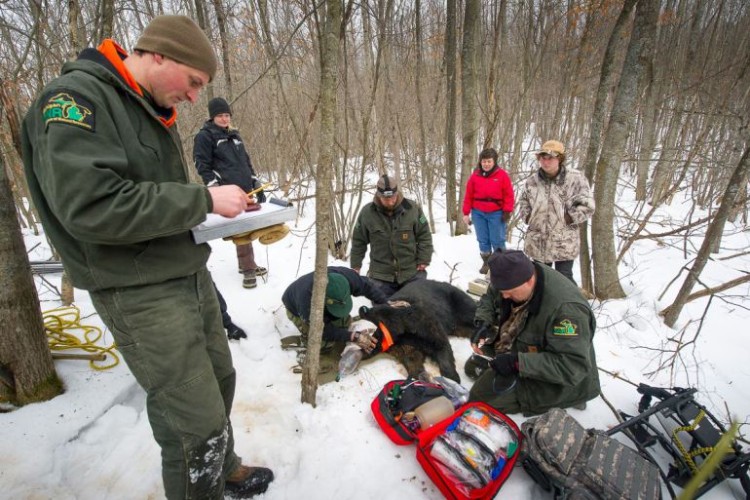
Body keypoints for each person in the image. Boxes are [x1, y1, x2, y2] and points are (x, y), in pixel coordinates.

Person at [21, 15, 273, 499]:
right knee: (191, 420)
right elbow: (91, 207)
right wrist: (202, 201)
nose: (196, 97)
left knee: (220, 378)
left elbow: (147, 195)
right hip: (138, 287)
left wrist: (211, 216)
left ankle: (224, 468)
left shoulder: (143, 105)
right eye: (194, 82)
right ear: (159, 55)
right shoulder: (76, 100)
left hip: (184, 270)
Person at [464, 250, 600, 415]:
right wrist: (483, 323)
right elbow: (490, 297)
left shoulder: (566, 311)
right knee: (471, 368)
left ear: (529, 281)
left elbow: (572, 366)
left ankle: (574, 398)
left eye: (510, 292)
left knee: (480, 400)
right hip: (524, 346)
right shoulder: (515, 276)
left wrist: (517, 363)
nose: (505, 296)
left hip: (560, 378)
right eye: (502, 291)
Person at [194, 96, 268, 289]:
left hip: (245, 187)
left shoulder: (234, 135)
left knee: (247, 224)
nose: (225, 119)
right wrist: (215, 188)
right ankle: (249, 269)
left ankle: (246, 265)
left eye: (227, 115)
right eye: (220, 115)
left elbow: (245, 160)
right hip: (227, 190)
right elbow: (202, 164)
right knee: (241, 227)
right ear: (212, 117)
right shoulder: (205, 136)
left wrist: (254, 179)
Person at [517, 140, 595, 284]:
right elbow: (523, 202)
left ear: (559, 158)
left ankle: (572, 306)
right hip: (538, 240)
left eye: (550, 158)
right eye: (543, 158)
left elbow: (587, 205)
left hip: (563, 241)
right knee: (540, 280)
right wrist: (528, 217)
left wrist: (568, 218)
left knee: (564, 280)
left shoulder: (575, 178)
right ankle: (543, 306)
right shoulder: (532, 181)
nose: (545, 162)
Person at [350, 174, 433, 297]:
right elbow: (358, 241)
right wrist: (356, 265)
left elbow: (424, 235)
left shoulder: (412, 208)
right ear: (378, 196)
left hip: (410, 272)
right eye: (385, 199)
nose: (390, 202)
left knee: (418, 305)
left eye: (393, 198)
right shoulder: (367, 212)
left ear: (397, 193)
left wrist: (424, 258)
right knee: (383, 308)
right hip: (381, 274)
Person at [462, 147, 515, 274]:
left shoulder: (502, 175)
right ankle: (486, 262)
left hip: (496, 212)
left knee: (497, 239)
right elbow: (468, 195)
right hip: (478, 212)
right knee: (483, 239)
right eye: (484, 161)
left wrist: (507, 211)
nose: (486, 164)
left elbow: (509, 195)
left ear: (494, 162)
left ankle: (501, 264)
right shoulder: (475, 176)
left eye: (489, 161)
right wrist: (466, 213)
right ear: (480, 162)